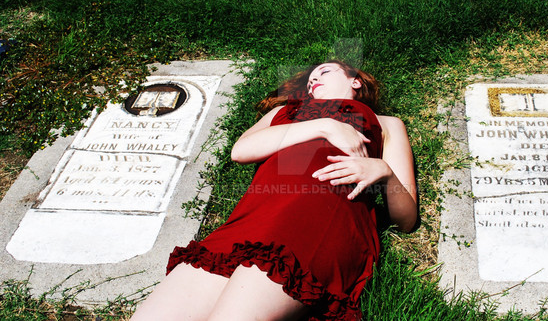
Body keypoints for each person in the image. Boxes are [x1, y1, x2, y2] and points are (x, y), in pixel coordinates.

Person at [131, 61, 418, 321]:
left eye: (325, 71)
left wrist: (384, 171)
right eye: (310, 78)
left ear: (355, 80)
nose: (313, 79)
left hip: (316, 223)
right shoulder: (284, 113)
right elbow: (241, 151)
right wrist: (325, 126)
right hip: (252, 220)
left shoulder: (386, 124)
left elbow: (406, 219)